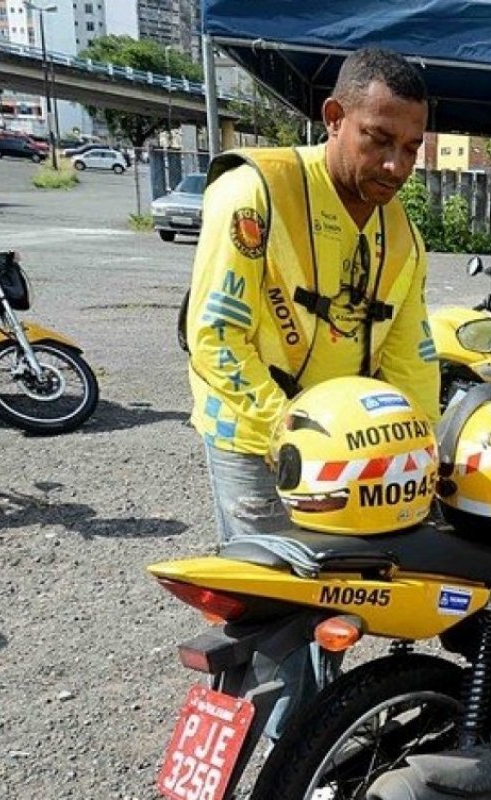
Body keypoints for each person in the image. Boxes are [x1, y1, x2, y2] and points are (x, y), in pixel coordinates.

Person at [187, 47, 440, 543]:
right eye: (379, 139)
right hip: (252, 433)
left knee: (345, 592)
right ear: (334, 118)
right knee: (270, 597)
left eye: (411, 148)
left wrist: (428, 444)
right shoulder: (255, 193)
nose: (395, 166)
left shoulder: (404, 234)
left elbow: (410, 355)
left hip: (348, 445)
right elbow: (216, 336)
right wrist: (293, 435)